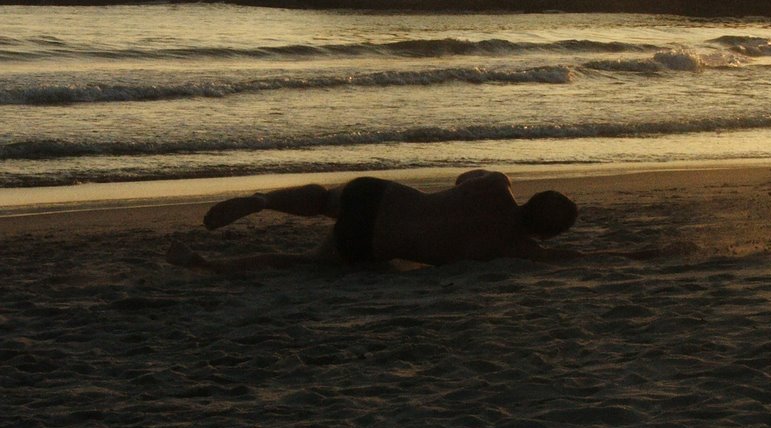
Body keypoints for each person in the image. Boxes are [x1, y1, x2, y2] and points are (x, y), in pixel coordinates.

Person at [166, 170, 582, 274]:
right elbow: (569, 258)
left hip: (385, 194)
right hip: (376, 240)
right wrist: (632, 253)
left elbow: (463, 178)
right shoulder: (515, 250)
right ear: (546, 231)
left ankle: (263, 199)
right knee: (306, 262)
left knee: (325, 199)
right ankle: (204, 265)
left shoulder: (496, 185)